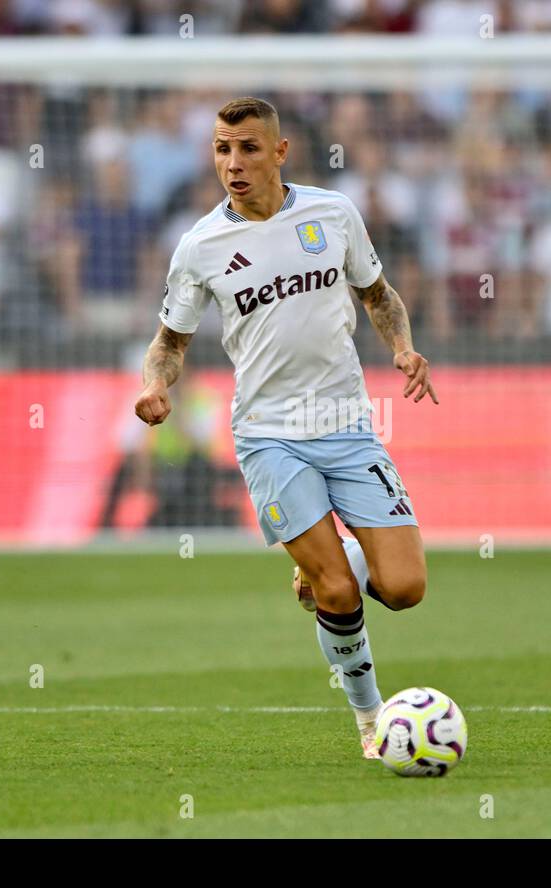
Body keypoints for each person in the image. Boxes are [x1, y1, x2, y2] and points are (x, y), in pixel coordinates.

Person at [132, 97, 439, 759]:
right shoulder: (199, 247)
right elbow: (170, 342)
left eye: (246, 148)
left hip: (348, 425)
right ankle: (370, 720)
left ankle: (333, 561)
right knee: (334, 590)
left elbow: (378, 297)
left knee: (406, 588)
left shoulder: (334, 213)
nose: (231, 163)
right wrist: (156, 383)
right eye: (220, 148)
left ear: (280, 152)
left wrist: (403, 347)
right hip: (270, 435)